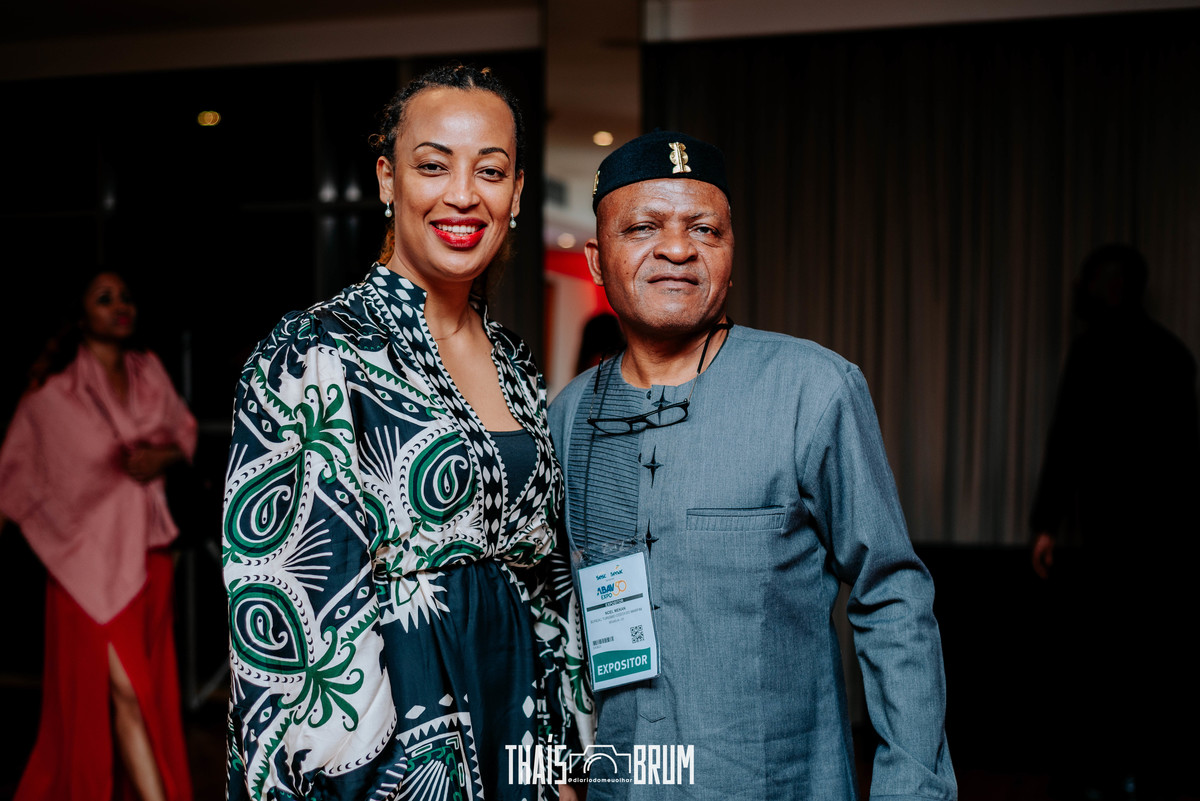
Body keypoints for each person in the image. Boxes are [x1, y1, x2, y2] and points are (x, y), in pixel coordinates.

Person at [548, 130, 956, 800]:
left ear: (731, 255)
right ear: (596, 260)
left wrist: (912, 789)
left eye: (705, 229)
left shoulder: (812, 389)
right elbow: (556, 618)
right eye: (644, 227)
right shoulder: (568, 417)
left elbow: (892, 597)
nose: (678, 249)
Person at [222, 64, 592, 801]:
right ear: (388, 179)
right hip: (393, 741)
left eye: (491, 170)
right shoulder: (316, 350)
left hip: (519, 718)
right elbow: (289, 610)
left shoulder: (516, 361)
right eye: (433, 165)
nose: (463, 194)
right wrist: (365, 777)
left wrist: (566, 760)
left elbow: (548, 581)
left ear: (518, 193)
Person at [0, 270, 196, 801]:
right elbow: (13, 476)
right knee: (126, 692)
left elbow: (184, 432)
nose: (120, 305)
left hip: (149, 558)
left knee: (145, 697)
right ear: (81, 316)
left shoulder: (149, 371)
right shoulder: (53, 395)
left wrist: (163, 455)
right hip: (85, 568)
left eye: (125, 296)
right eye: (104, 298)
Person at [1030, 244, 1199, 801]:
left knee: (1105, 657)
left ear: (1111, 287)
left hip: (1111, 541)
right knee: (1150, 658)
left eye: (1087, 280)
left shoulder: (1092, 351)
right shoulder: (1174, 355)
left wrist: (1046, 524)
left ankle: (1105, 775)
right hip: (1163, 544)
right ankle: (1142, 774)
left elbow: (1066, 442)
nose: (1078, 290)